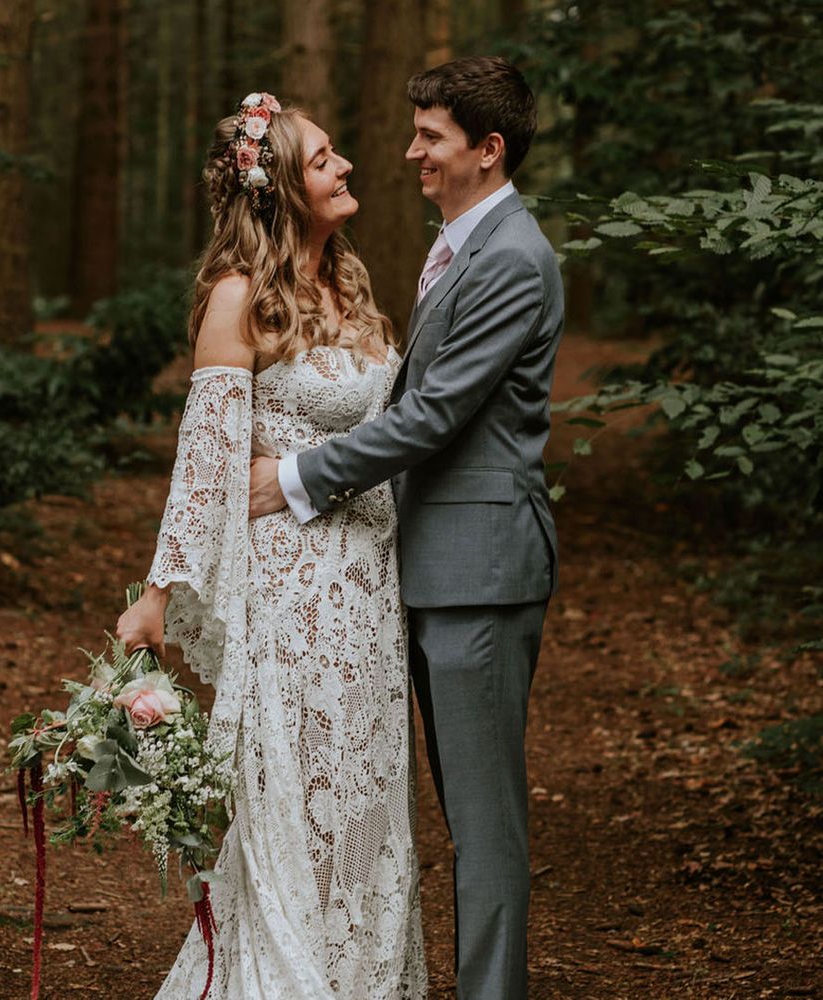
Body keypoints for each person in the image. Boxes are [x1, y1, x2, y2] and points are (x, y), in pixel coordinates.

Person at [249, 57, 564, 1000]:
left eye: (431, 136)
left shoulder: (511, 256)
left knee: (483, 822)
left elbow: (431, 418)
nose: (410, 151)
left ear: (488, 147)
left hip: (482, 575)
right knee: (458, 814)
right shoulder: (461, 244)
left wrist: (295, 477)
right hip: (429, 571)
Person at [116, 93, 427, 998]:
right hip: (291, 594)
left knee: (367, 806)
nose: (346, 167)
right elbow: (206, 463)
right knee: (299, 808)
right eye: (325, 157)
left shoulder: (353, 285)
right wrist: (159, 595)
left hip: (372, 588)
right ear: (284, 184)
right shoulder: (239, 297)